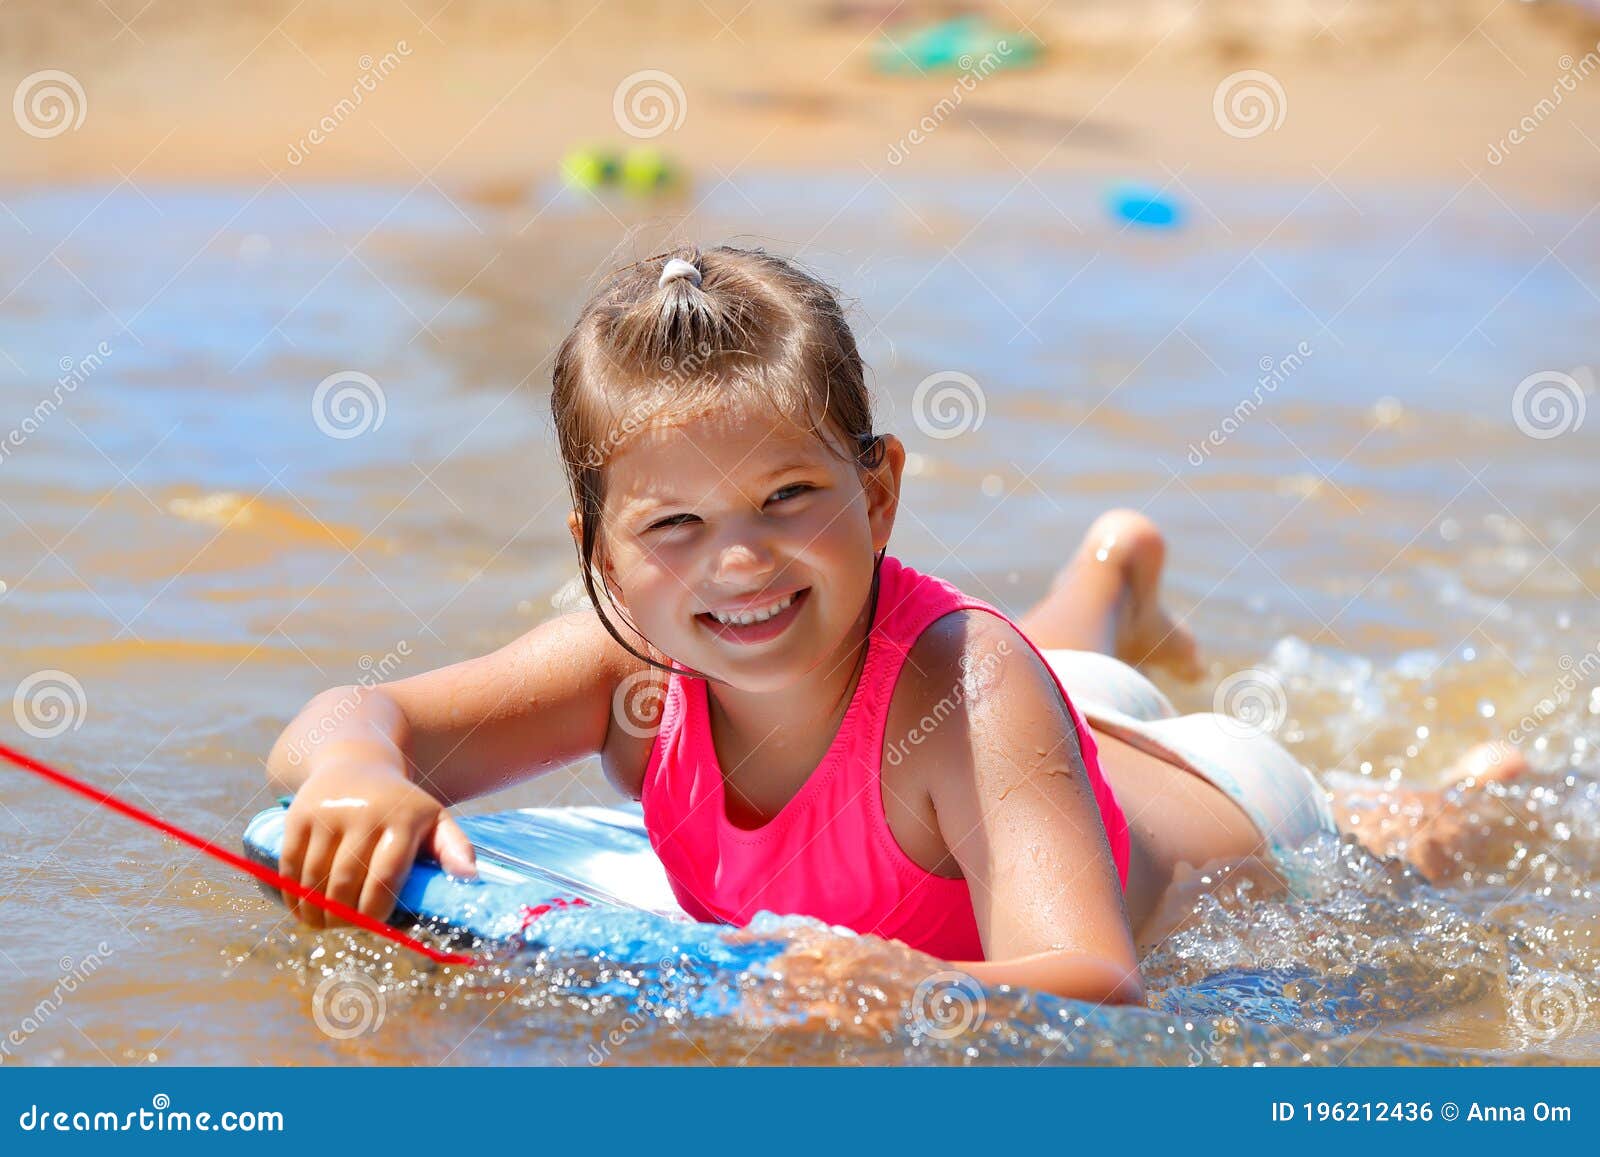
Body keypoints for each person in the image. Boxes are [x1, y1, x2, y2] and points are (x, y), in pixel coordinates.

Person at [264, 246, 1521, 1008]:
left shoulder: (969, 689)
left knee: (1428, 829)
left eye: (787, 497)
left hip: (1225, 809)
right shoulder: (633, 664)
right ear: (598, 552)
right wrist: (357, 770)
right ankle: (1112, 576)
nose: (738, 559)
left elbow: (1092, 979)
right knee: (1060, 666)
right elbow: (343, 717)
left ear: (878, 490)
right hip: (1042, 729)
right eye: (673, 526)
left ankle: (1481, 780)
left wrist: (895, 988)